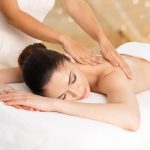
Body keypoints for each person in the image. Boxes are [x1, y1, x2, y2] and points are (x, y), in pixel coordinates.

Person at [1, 43, 150, 131]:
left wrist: (53, 103)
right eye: (64, 96)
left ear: (69, 57)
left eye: (73, 79)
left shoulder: (110, 76)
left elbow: (131, 119)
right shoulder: (50, 73)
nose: (77, 92)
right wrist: (5, 89)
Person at [0, 0, 131, 79]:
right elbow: (13, 15)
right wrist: (64, 39)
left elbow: (75, 4)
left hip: (28, 56)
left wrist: (102, 40)